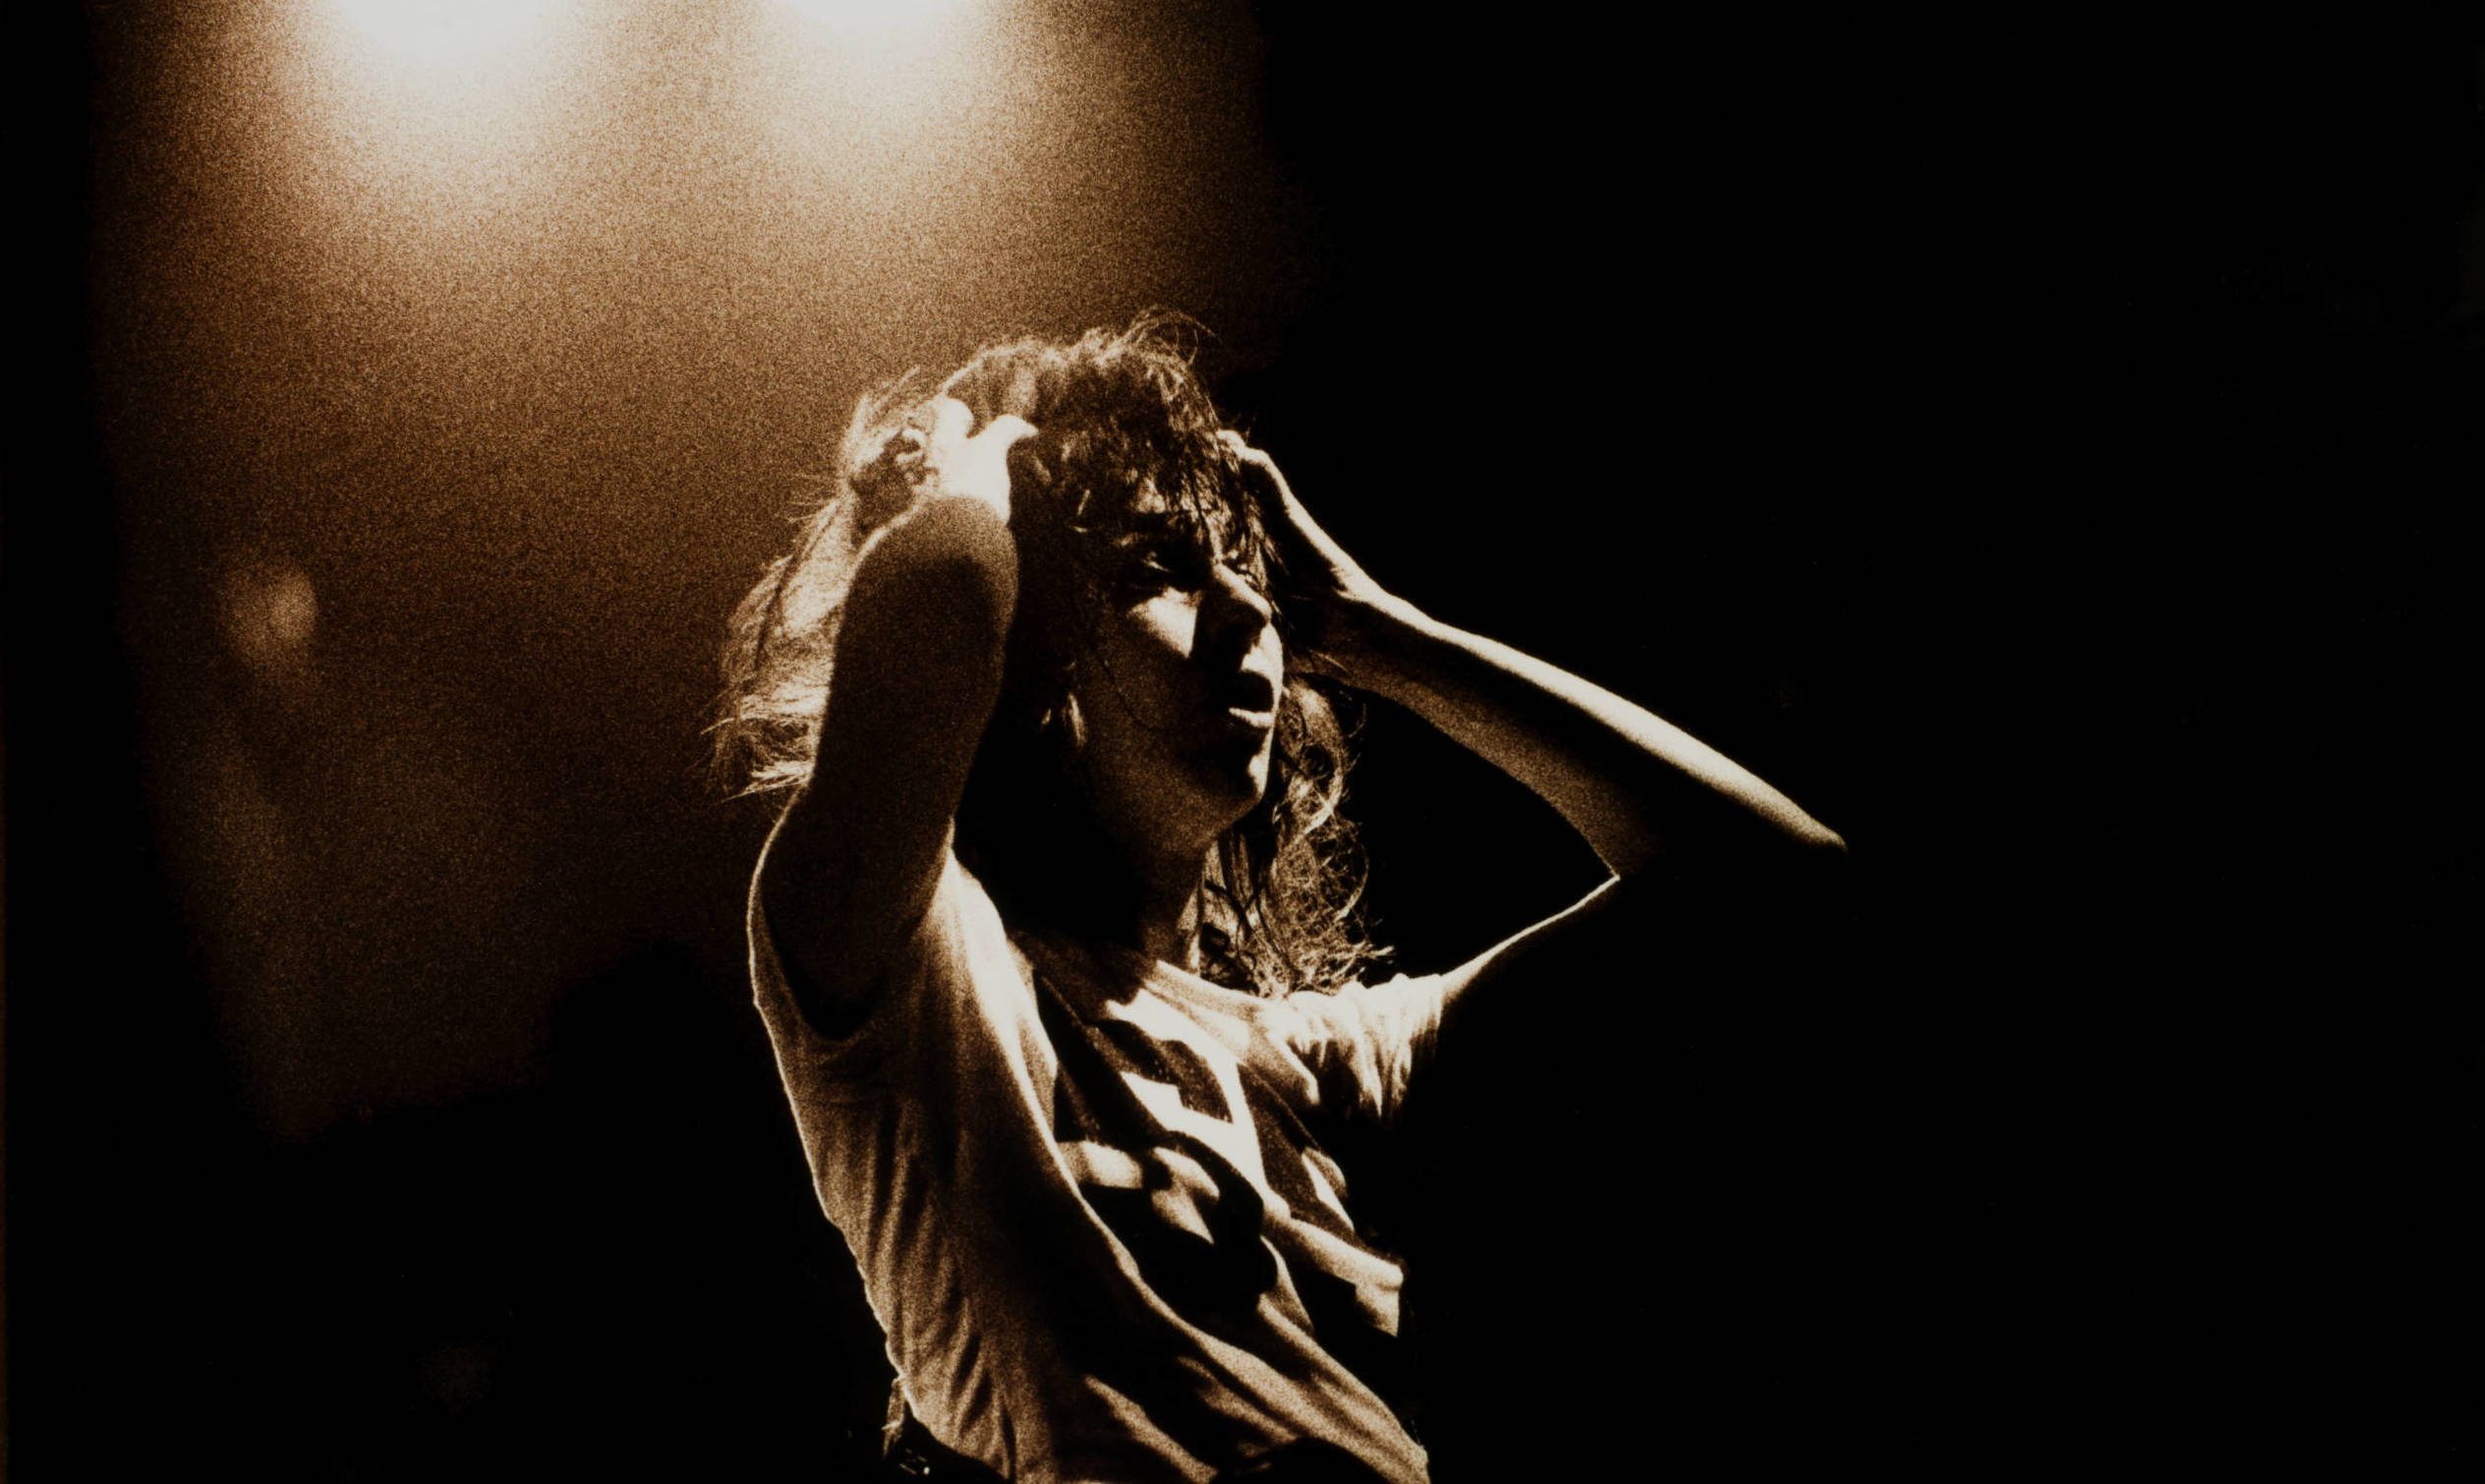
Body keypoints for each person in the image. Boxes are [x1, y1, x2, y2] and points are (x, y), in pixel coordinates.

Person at [716, 320, 1844, 1483]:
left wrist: (1381, 634)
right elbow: (941, 610)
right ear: (1028, 627)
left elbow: (1779, 892)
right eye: (1155, 567)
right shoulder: (923, 995)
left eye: (1247, 572)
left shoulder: (1326, 1055)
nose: (1249, 613)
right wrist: (972, 475)